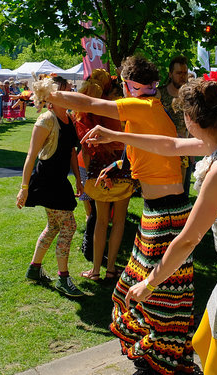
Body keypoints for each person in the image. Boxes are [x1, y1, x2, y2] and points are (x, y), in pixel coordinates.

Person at [81, 72, 217, 375]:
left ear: (190, 119)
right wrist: (118, 136)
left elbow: (188, 239)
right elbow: (171, 146)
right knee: (201, 346)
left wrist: (150, 283)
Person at [44, 56, 195, 375]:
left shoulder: (141, 106)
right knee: (142, 290)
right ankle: (160, 358)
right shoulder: (154, 109)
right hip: (161, 211)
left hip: (166, 214)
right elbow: (148, 151)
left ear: (129, 85)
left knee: (158, 296)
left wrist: (50, 93)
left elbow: (89, 102)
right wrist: (119, 167)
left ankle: (159, 363)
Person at [16, 75, 85, 298]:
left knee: (54, 226)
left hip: (59, 181)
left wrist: (78, 178)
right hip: (47, 181)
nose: (68, 95)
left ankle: (34, 269)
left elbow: (72, 152)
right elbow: (31, 156)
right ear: (51, 97)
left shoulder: (69, 119)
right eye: (63, 91)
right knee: (68, 226)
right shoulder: (46, 120)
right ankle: (63, 278)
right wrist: (24, 187)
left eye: (68, 91)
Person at [74, 69, 133, 282]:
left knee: (100, 220)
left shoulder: (87, 112)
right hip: (122, 167)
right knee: (118, 222)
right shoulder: (116, 107)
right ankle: (109, 269)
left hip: (98, 170)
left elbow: (86, 150)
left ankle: (96, 271)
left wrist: (85, 177)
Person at [157, 55, 192, 195]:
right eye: (179, 73)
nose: (182, 77)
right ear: (170, 74)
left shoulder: (190, 95)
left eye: (185, 73)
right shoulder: (159, 94)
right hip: (162, 149)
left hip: (184, 149)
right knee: (162, 194)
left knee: (182, 195)